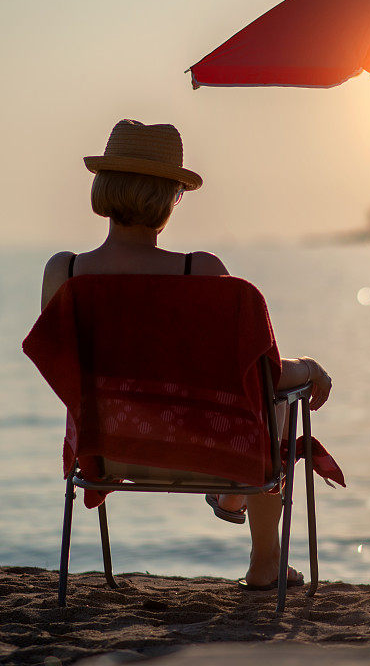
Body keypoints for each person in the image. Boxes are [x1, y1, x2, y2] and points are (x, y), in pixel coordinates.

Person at [39, 119, 332, 590]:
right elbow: (264, 375)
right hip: (212, 454)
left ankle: (237, 520)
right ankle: (263, 558)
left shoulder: (65, 273)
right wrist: (310, 367)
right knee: (274, 402)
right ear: (169, 198)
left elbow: (61, 368)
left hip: (105, 452)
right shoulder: (203, 273)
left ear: (104, 187)